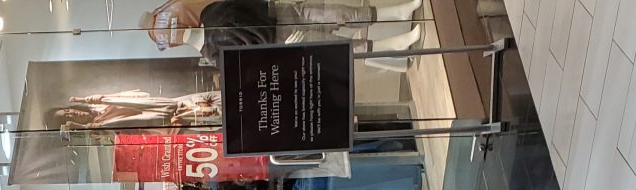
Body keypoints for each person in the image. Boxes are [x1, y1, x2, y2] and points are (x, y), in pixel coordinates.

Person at [141, 0, 424, 65]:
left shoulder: (208, 13)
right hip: (284, 41)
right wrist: (285, 50)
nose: (174, 27)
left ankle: (396, 12)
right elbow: (256, 64)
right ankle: (395, 46)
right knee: (342, 48)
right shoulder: (214, 55)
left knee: (342, 13)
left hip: (284, 13)